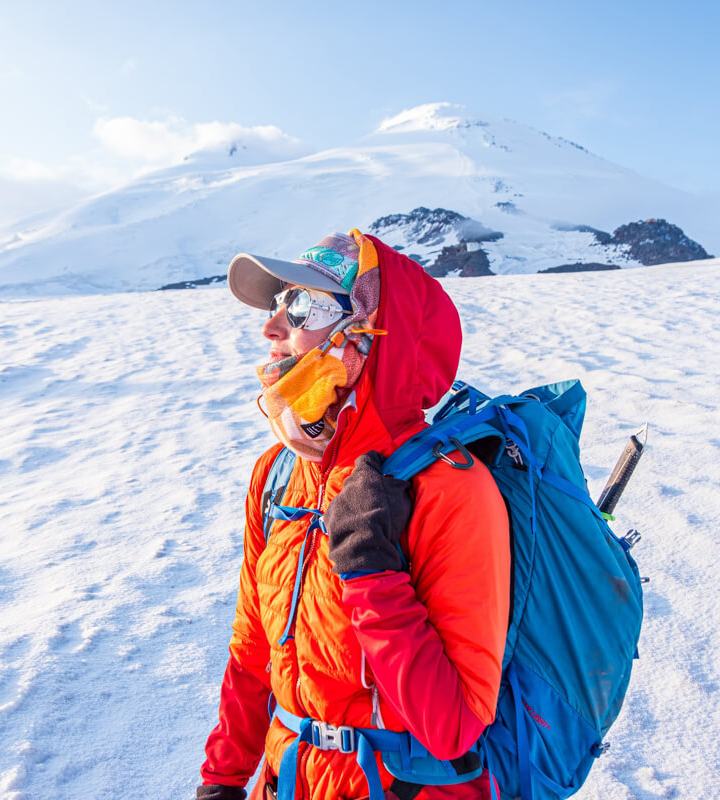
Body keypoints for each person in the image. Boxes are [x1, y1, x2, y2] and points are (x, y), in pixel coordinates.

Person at [197, 230, 510, 800]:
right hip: (286, 780)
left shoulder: (447, 489)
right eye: (275, 305)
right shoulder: (277, 474)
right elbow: (252, 651)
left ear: (368, 332)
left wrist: (371, 574)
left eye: (299, 306)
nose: (271, 328)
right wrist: (222, 777)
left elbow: (453, 727)